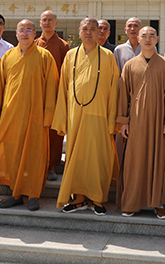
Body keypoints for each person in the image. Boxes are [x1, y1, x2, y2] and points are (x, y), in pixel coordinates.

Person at [0, 19, 59, 211]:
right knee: (13, 155)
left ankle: (33, 194)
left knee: (34, 156)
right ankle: (16, 193)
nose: (25, 33)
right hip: (11, 115)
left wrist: (48, 116)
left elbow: (52, 88)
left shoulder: (45, 57)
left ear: (35, 34)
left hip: (36, 116)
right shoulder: (8, 56)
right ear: (16, 33)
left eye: (29, 30)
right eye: (22, 30)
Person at [52, 17, 119, 216]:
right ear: (79, 32)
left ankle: (97, 197)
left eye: (93, 29)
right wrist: (62, 118)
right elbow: (63, 87)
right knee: (76, 156)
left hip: (99, 115)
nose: (89, 32)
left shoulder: (107, 56)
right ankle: (78, 198)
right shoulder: (71, 55)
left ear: (99, 32)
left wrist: (112, 119)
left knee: (97, 157)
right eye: (85, 29)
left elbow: (114, 89)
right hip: (75, 115)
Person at [117, 26, 165, 219]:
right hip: (135, 121)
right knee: (134, 160)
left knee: (158, 160)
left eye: (152, 36)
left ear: (157, 39)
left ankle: (158, 203)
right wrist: (124, 121)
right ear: (138, 39)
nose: (148, 39)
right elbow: (123, 95)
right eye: (144, 36)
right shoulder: (130, 65)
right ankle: (132, 202)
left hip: (158, 121)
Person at [35, 10, 70, 181]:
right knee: (37, 131)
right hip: (36, 95)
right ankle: (37, 163)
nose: (47, 22)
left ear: (56, 23)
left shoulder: (63, 46)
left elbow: (66, 72)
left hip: (56, 96)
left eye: (50, 20)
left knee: (54, 132)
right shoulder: (34, 44)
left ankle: (51, 166)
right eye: (44, 20)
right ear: (40, 23)